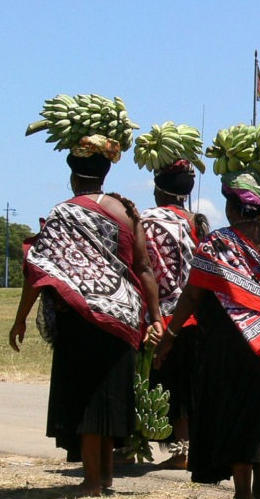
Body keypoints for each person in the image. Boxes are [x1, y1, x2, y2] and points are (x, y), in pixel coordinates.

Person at [8, 134, 163, 497]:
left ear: (74, 176)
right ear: (105, 173)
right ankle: (104, 476)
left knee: (90, 399)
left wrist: (21, 318)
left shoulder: (65, 213)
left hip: (81, 318)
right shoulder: (127, 211)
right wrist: (154, 315)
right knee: (111, 398)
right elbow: (144, 268)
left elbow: (39, 267)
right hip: (123, 317)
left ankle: (92, 483)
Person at [156, 170, 260, 499]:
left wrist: (169, 335)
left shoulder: (217, 244)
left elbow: (191, 296)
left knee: (237, 423)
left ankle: (243, 492)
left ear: (232, 211)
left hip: (231, 351)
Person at [138, 159, 209, 469]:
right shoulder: (197, 222)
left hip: (160, 314)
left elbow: (142, 267)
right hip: (194, 311)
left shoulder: (146, 220)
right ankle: (185, 448)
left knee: (161, 383)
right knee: (186, 382)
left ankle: (179, 452)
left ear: (158, 189)